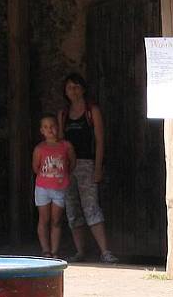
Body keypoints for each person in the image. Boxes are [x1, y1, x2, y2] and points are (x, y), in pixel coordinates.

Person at [57, 73, 117, 264]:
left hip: (87, 164)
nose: (72, 91)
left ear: (83, 88)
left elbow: (99, 141)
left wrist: (98, 167)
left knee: (91, 207)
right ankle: (80, 251)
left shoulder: (92, 111)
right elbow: (59, 142)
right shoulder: (63, 114)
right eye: (69, 87)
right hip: (67, 167)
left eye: (76, 86)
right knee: (72, 209)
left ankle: (105, 251)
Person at [32, 114, 75, 258]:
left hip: (60, 188)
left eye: (52, 126)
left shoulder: (66, 146)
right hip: (43, 188)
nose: (49, 130)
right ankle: (46, 250)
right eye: (46, 127)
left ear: (58, 127)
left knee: (56, 220)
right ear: (41, 131)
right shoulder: (39, 148)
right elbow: (35, 167)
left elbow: (72, 163)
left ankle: (55, 251)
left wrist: (62, 177)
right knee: (44, 219)